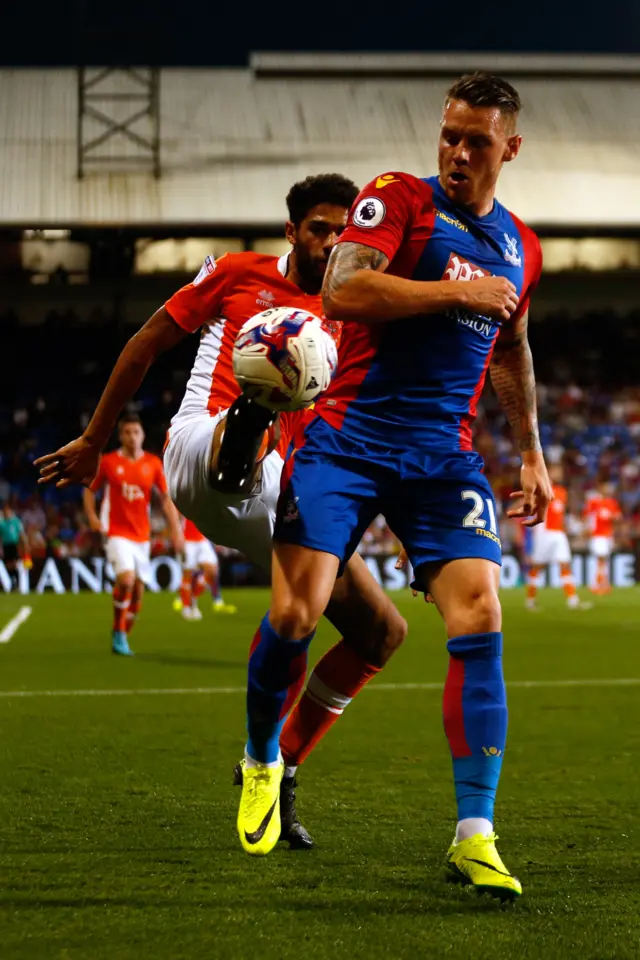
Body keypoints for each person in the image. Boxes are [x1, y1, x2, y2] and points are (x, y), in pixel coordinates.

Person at [236, 72, 553, 898]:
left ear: (508, 148)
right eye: (449, 133)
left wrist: (532, 452)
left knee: (481, 613)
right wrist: (458, 290)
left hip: (441, 458)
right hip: (345, 441)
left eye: (476, 139)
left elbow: (512, 348)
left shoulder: (521, 245)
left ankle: (474, 835)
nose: (456, 151)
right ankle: (263, 757)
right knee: (295, 613)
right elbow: (343, 287)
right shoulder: (397, 198)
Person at [35, 174, 408, 850]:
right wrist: (94, 438)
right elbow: (146, 342)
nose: (331, 241)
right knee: (283, 358)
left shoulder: (362, 316)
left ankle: (275, 765)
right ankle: (253, 416)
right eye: (319, 228)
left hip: (274, 493)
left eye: (342, 229)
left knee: (379, 633)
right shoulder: (237, 275)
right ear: (292, 232)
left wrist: (405, 527)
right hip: (200, 450)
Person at [81, 413, 184, 655]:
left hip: (142, 537)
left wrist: (177, 531)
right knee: (126, 580)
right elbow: (88, 491)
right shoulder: (108, 462)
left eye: (136, 432)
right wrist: (94, 518)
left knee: (138, 592)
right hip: (115, 533)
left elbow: (166, 499)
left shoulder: (153, 464)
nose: (132, 437)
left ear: (143, 435)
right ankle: (118, 633)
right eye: (127, 432)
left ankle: (121, 634)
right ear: (120, 436)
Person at [525, 464, 591, 610]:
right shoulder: (541, 490)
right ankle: (530, 600)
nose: (558, 473)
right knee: (537, 566)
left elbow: (560, 514)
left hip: (559, 533)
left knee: (565, 564)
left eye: (560, 471)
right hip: (545, 533)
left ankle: (572, 600)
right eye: (555, 471)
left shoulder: (562, 492)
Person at [173, 516, 237, 619]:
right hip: (187, 539)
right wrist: (177, 536)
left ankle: (192, 598)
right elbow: (176, 515)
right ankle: (186, 608)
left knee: (212, 571)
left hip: (202, 539)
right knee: (187, 574)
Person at [584, 479, 623, 594]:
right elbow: (587, 516)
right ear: (600, 488)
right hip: (597, 535)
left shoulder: (612, 502)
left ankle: (602, 584)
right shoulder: (594, 502)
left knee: (603, 560)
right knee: (601, 558)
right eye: (606, 487)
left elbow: (618, 517)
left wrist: (612, 516)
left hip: (607, 536)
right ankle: (597, 584)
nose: (609, 489)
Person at [0, 503, 31, 591]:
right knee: (7, 564)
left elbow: (21, 534)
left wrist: (25, 545)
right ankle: (11, 581)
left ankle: (15, 581)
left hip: (15, 545)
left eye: (7, 511)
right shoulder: (2, 523)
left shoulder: (16, 521)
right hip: (6, 546)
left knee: (15, 563)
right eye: (4, 512)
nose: (6, 513)